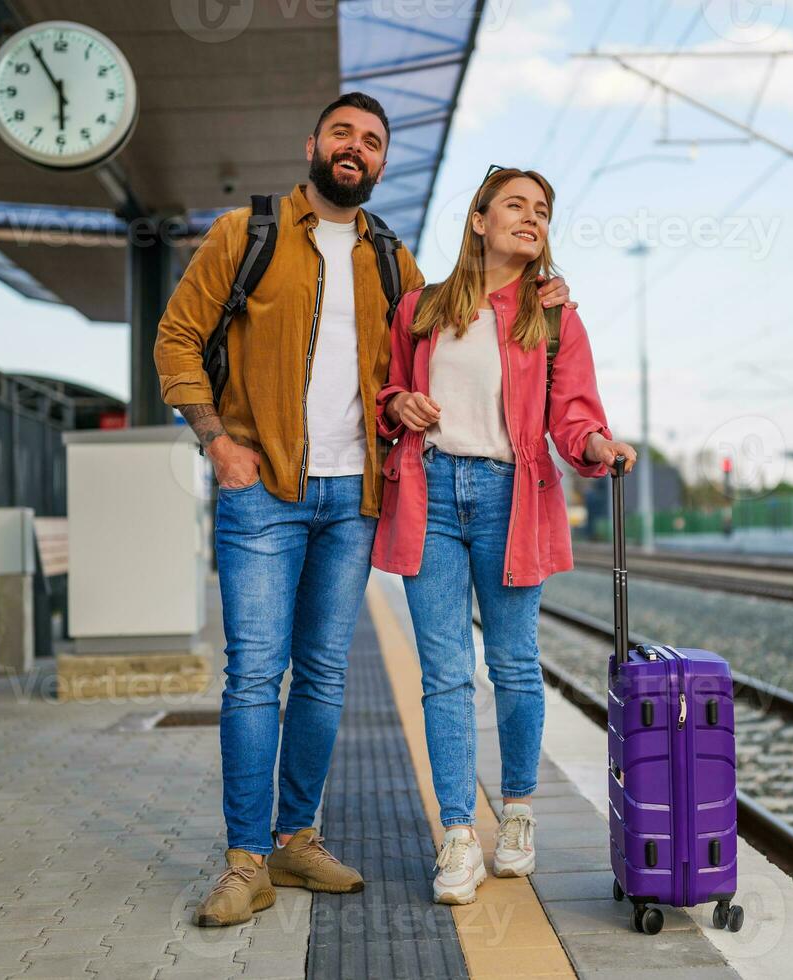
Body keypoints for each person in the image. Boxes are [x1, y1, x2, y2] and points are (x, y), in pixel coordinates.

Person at [153, 96, 574, 928]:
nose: (356, 149)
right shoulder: (249, 235)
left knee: (323, 676)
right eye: (343, 134)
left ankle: (296, 838)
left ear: (382, 165)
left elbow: (447, 337)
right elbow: (176, 338)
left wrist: (537, 290)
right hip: (263, 490)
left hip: (357, 499)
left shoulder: (393, 260)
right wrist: (216, 441)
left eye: (373, 142)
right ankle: (244, 861)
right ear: (313, 145)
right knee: (252, 676)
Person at [372, 167, 637, 905]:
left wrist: (597, 446)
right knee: (445, 673)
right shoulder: (420, 309)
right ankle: (457, 835)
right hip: (428, 492)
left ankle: (516, 815)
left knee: (515, 663)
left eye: (543, 210)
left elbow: (573, 413)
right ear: (480, 221)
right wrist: (404, 404)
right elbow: (388, 387)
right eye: (516, 205)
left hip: (509, 499)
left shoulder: (551, 317)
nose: (532, 217)